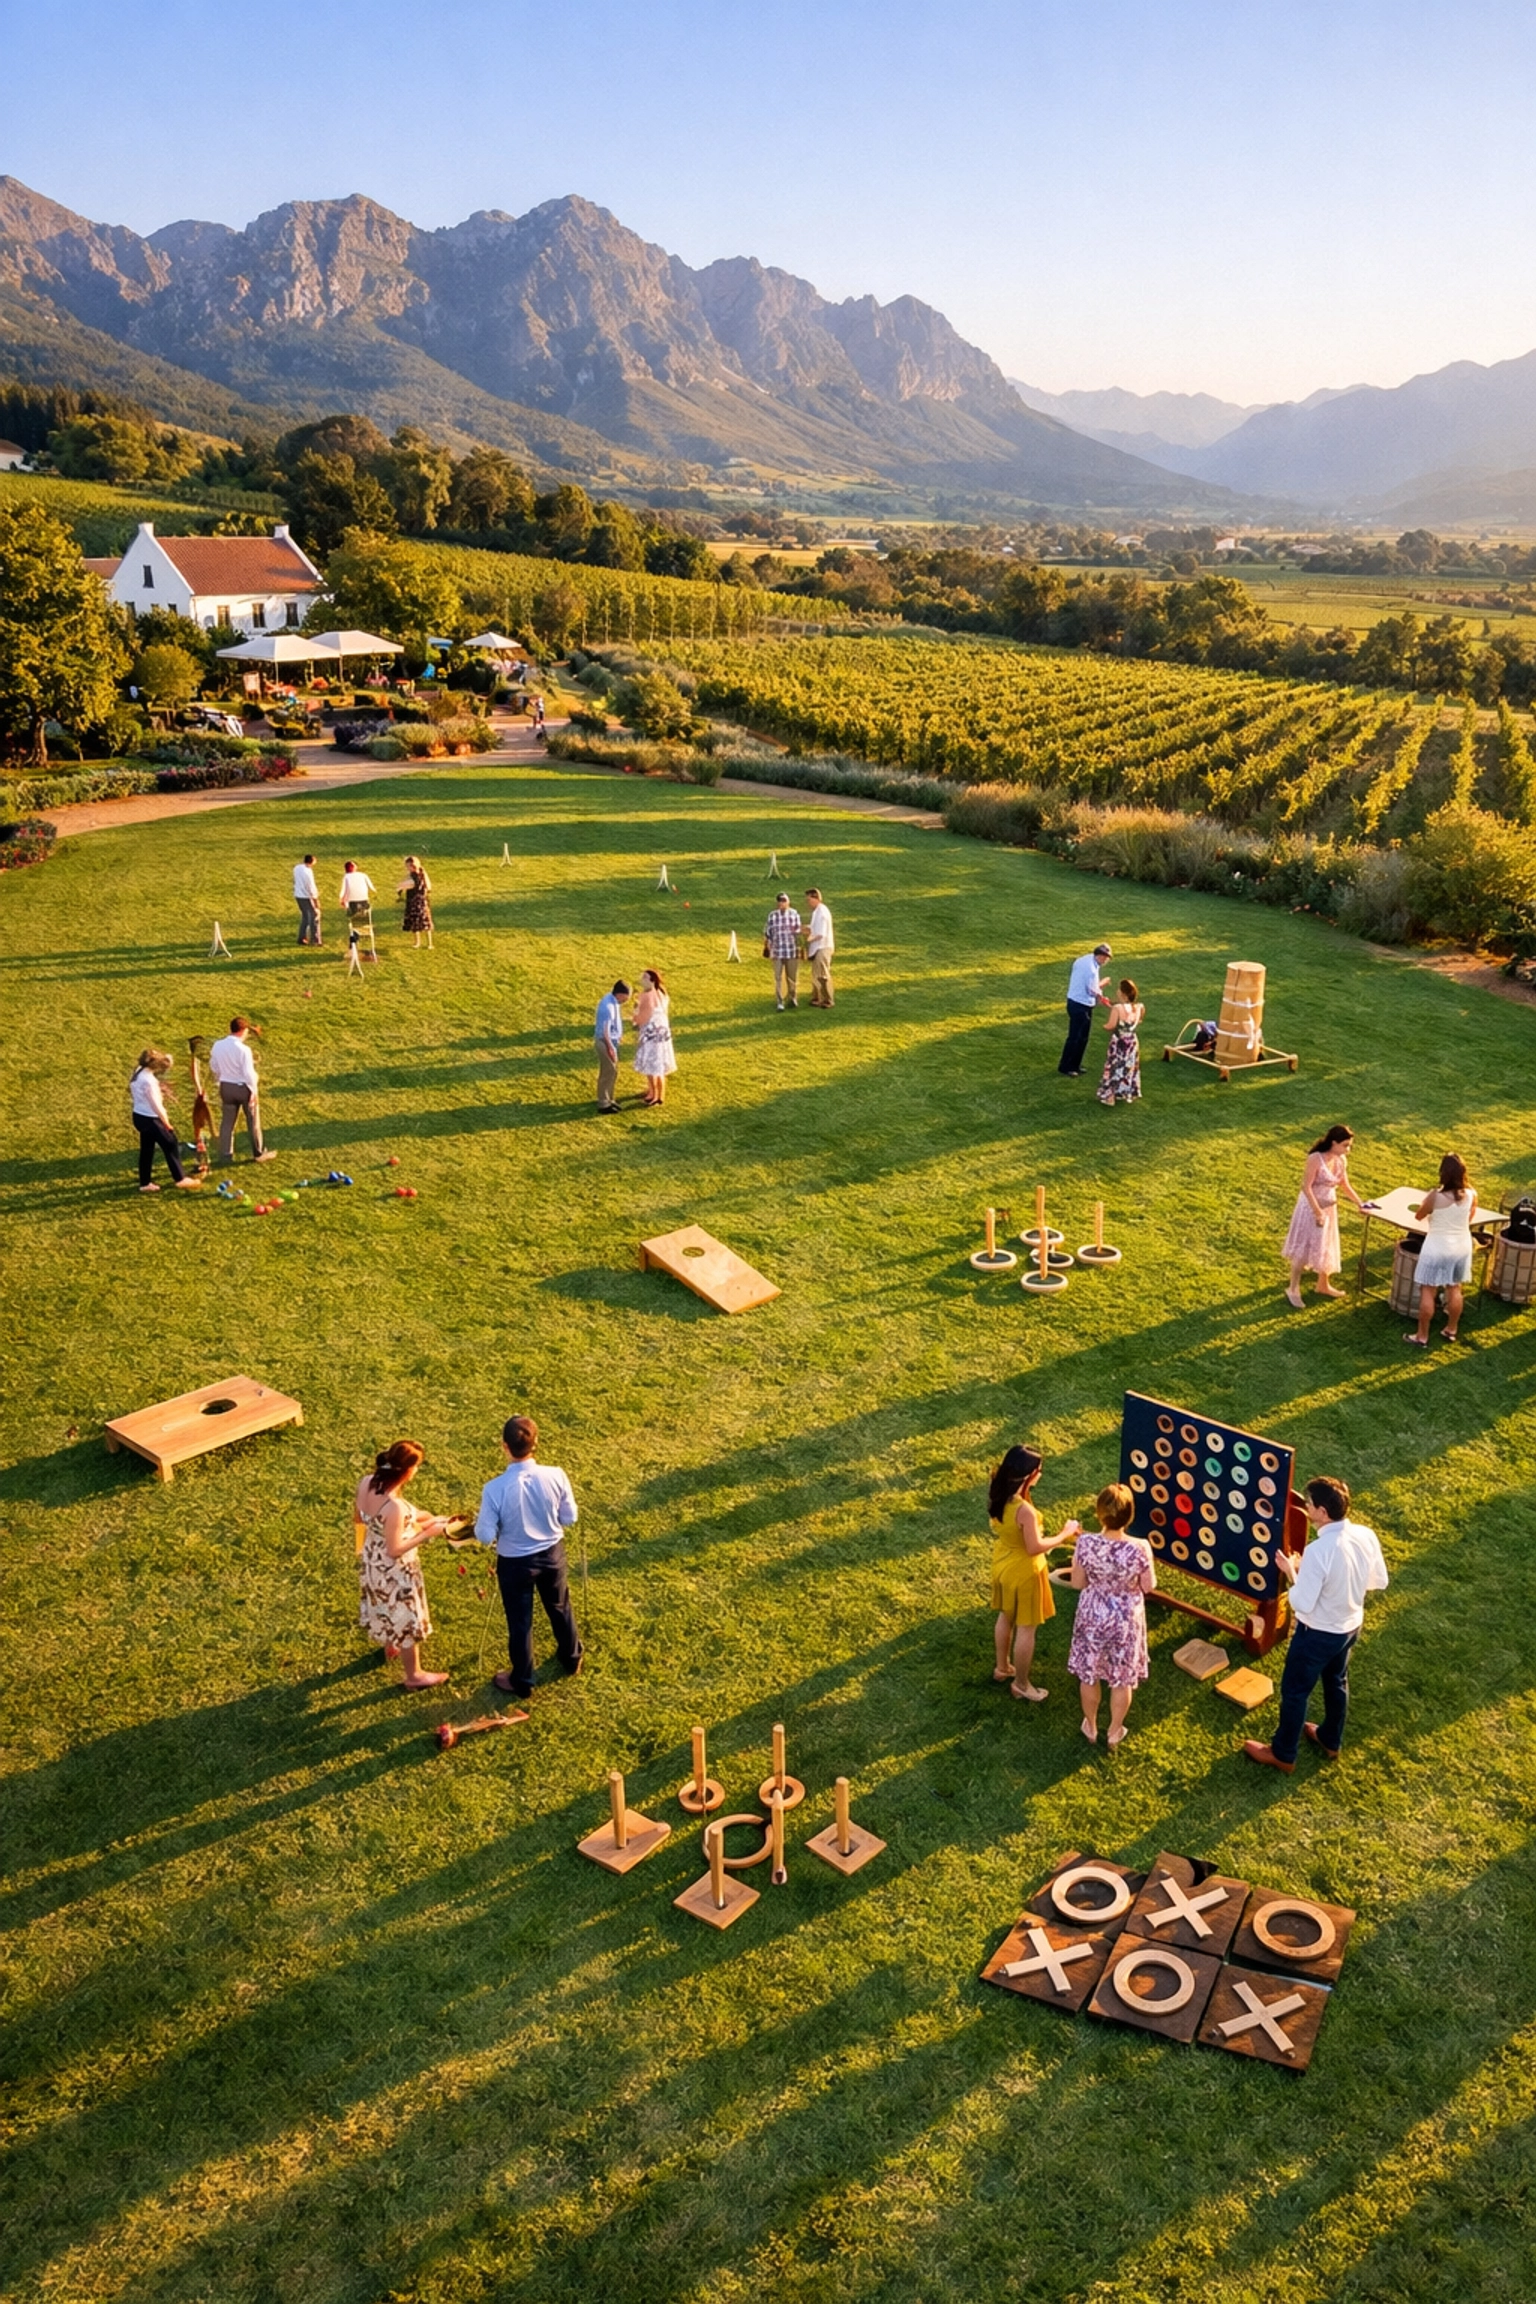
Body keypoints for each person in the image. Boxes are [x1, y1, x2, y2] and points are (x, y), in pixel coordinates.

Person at [1243, 1476, 1388, 1773]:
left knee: (1295, 1691)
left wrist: (1292, 1571)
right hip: (1350, 1627)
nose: (1306, 1508)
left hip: (1317, 1633)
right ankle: (1330, 1739)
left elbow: (1301, 1603)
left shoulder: (1318, 1551)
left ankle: (1283, 1753)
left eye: (1309, 1504)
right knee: (1337, 1681)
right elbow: (1378, 1581)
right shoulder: (1365, 1535)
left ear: (1322, 1511)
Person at [474, 1414, 584, 1699]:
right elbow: (569, 1518)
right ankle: (572, 1658)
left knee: (520, 1621)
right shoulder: (556, 1475)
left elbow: (485, 1536)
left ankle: (522, 1680)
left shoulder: (494, 1489)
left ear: (504, 1446)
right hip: (551, 1554)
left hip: (514, 1563)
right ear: (536, 1443)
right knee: (560, 1606)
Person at [355, 1439, 454, 1690]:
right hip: (394, 1571)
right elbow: (395, 1549)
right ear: (407, 1471)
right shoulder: (395, 1508)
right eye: (416, 1466)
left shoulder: (367, 1482)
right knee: (406, 1616)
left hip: (372, 1560)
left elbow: (361, 1518)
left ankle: (391, 1644)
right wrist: (428, 1533)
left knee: (383, 1604)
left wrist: (424, 1518)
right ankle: (414, 1676)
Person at [1065, 1483, 1156, 1747]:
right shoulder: (1140, 1547)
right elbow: (1149, 1586)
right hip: (1125, 1619)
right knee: (1122, 1679)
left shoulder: (1085, 1542)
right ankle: (1114, 1731)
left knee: (1089, 1673)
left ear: (1099, 1513)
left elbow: (1077, 1583)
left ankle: (1091, 1727)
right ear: (1129, 1515)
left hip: (1092, 1615)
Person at [989, 1446, 1073, 1701]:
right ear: (1030, 1475)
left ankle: (1002, 1667)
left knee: (1005, 1616)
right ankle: (1022, 1685)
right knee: (1026, 1629)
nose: (1041, 1474)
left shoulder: (997, 1488)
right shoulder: (1024, 1510)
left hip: (1002, 1563)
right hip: (1025, 1572)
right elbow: (1034, 1547)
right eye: (1039, 1471)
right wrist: (1064, 1534)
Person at [1283, 1124, 1367, 1308]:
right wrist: (1317, 1212)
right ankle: (1293, 1288)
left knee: (1326, 1244)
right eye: (1345, 1145)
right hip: (1310, 1207)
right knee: (1304, 1246)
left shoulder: (1341, 1160)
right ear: (1334, 1143)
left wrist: (1360, 1203)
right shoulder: (1315, 1158)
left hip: (1328, 1209)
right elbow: (1306, 1187)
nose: (1348, 1150)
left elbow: (1344, 1184)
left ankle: (1323, 1284)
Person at [1405, 1153, 1479, 1346]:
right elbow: (1468, 1219)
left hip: (1437, 1247)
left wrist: (1427, 1203)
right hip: (1461, 1246)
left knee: (1427, 1289)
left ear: (1443, 1173)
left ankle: (1422, 1336)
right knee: (1454, 1287)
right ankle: (1451, 1329)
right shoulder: (1472, 1195)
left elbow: (1419, 1216)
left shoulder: (1435, 1196)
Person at [129, 1048, 200, 1193]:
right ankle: (180, 1179)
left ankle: (145, 1183)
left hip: (139, 1116)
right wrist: (167, 1123)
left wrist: (159, 1088)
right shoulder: (149, 1081)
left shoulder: (138, 1071)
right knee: (170, 1144)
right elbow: (156, 1106)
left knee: (147, 1149)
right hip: (151, 1119)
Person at [209, 1016, 276, 1164]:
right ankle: (259, 1153)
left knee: (227, 1123)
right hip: (243, 1088)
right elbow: (248, 1073)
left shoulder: (217, 1045)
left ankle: (225, 1154)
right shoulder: (244, 1050)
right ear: (243, 1030)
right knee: (253, 1121)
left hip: (226, 1087)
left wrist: (220, 1079)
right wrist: (254, 1092)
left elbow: (214, 1066)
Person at [1059, 943, 1113, 1075]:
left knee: (1079, 1037)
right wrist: (1103, 986)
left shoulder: (1084, 960)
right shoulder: (1091, 969)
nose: (1106, 961)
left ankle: (1074, 1065)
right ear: (1101, 956)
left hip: (1074, 1001)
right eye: (1106, 958)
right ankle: (1067, 1067)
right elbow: (1092, 990)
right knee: (1078, 1037)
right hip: (1081, 1005)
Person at [632, 967, 676, 1107]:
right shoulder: (662, 994)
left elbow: (643, 1017)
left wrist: (635, 1017)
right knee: (659, 1065)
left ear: (651, 981)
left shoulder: (645, 996)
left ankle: (653, 1094)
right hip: (662, 1034)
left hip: (650, 1034)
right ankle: (659, 1094)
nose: (641, 980)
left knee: (651, 1066)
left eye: (644, 978)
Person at [1096, 977, 1144, 1106]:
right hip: (1132, 1041)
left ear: (1123, 993)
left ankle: (1109, 1097)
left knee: (1114, 1067)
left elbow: (1110, 1026)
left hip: (1119, 1042)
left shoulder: (1117, 1008)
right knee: (1128, 1067)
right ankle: (1123, 1092)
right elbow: (1137, 1020)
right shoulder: (1139, 1007)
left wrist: (1102, 1026)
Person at [594, 977, 631, 1113]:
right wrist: (610, 1048)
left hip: (610, 1042)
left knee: (612, 1072)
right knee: (608, 1072)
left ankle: (609, 1099)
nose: (626, 1000)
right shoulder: (608, 1008)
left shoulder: (612, 1000)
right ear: (620, 994)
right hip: (605, 1042)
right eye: (626, 998)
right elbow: (605, 1031)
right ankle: (603, 1103)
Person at [764, 890, 802, 1010]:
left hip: (791, 951)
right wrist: (769, 948)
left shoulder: (794, 914)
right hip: (777, 952)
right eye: (779, 901)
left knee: (792, 977)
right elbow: (768, 934)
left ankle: (792, 998)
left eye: (784, 900)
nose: (781, 903)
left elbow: (798, 933)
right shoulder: (772, 916)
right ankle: (780, 1001)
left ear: (788, 902)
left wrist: (800, 950)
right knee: (778, 978)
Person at [804, 886, 835, 1008]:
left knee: (822, 974)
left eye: (809, 899)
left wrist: (809, 939)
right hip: (819, 947)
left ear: (816, 898)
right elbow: (813, 928)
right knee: (816, 973)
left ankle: (828, 1000)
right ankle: (817, 998)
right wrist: (802, 928)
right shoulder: (817, 911)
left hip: (822, 947)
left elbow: (820, 934)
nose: (808, 902)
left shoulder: (822, 912)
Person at [339, 859, 377, 961]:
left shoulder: (346, 877)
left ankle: (352, 948)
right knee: (364, 925)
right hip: (364, 902)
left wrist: (342, 900)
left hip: (353, 903)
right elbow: (372, 888)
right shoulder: (363, 875)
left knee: (354, 927)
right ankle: (363, 948)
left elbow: (343, 891)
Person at [397, 855, 434, 949]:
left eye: (407, 866)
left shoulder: (414, 877)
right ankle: (428, 944)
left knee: (416, 921)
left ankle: (418, 943)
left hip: (414, 901)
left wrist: (400, 887)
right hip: (423, 900)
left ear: (411, 866)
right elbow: (429, 887)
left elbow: (403, 885)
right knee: (425, 921)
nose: (407, 868)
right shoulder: (422, 873)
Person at [293, 853, 321, 946]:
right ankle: (315, 940)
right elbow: (311, 887)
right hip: (306, 897)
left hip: (298, 895)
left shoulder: (297, 868)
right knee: (314, 917)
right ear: (312, 862)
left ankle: (302, 937)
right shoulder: (308, 872)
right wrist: (316, 900)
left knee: (305, 916)